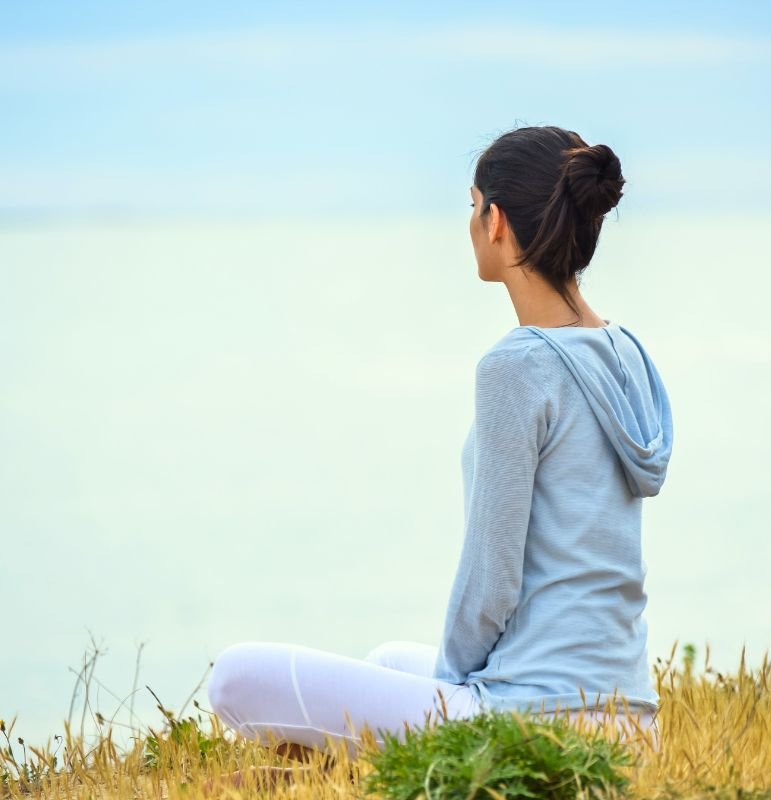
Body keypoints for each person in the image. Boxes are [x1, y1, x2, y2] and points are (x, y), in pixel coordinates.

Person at [206, 125, 673, 770]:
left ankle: (407, 763)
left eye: (472, 203)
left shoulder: (519, 365)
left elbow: (492, 579)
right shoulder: (624, 352)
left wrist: (452, 689)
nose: (470, 222)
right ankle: (327, 778)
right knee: (386, 662)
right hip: (629, 722)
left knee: (233, 677)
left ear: (497, 220)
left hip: (538, 725)